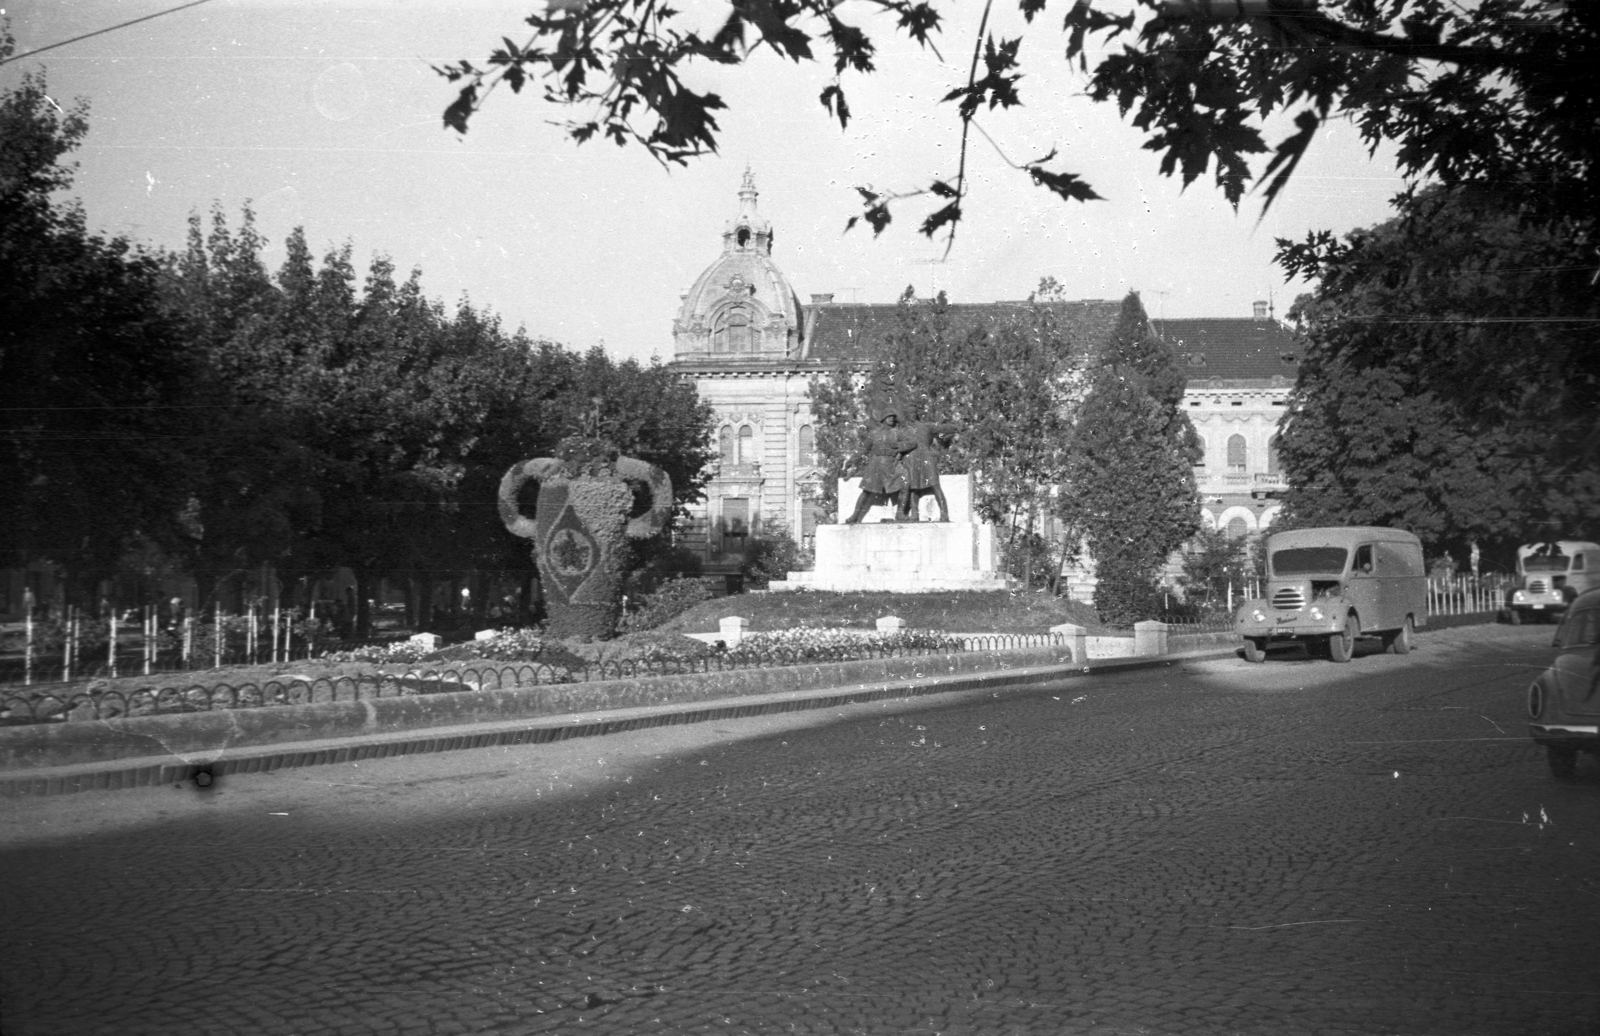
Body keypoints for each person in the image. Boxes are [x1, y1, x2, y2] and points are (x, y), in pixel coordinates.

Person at [844, 407, 915, 524]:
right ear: (883, 418)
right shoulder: (874, 433)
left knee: (905, 483)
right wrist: (852, 460)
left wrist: (898, 445)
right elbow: (863, 450)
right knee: (866, 491)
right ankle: (855, 516)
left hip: (892, 463)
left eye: (893, 417)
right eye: (889, 416)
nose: (892, 419)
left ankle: (900, 513)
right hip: (876, 465)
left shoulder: (898, 432)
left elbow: (912, 443)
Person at [898, 418, 961, 521]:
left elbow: (943, 429)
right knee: (914, 487)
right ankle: (914, 515)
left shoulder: (925, 426)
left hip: (925, 457)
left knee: (934, 485)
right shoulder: (905, 430)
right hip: (912, 459)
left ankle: (944, 514)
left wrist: (953, 429)